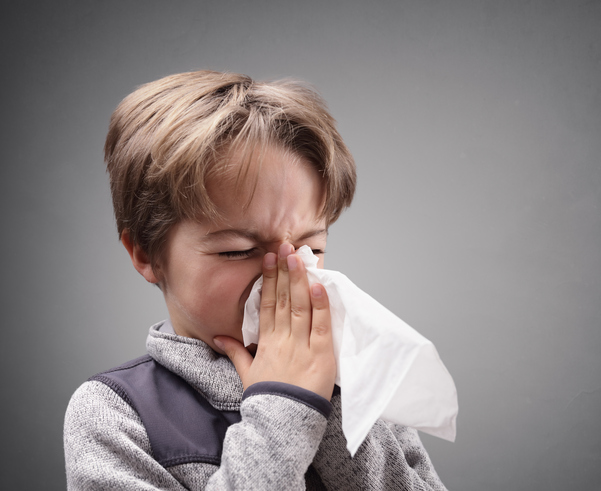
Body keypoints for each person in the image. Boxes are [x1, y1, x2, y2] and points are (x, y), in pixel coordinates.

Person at [64, 70, 446, 490]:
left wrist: (332, 399)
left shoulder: (360, 379)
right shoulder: (116, 413)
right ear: (145, 253)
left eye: (311, 248)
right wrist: (283, 407)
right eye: (238, 250)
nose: (289, 272)